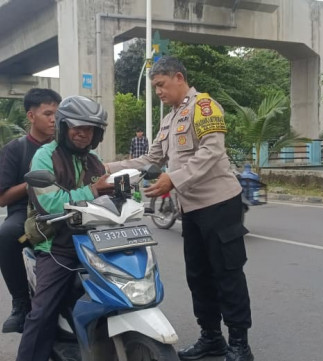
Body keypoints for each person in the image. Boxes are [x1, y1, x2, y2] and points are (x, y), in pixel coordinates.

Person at [105, 56, 254, 361]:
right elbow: (150, 159)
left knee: (227, 274)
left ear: (177, 77)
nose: (158, 91)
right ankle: (211, 337)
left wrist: (173, 178)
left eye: (160, 84)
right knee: (198, 276)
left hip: (220, 204)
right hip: (192, 209)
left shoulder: (204, 106)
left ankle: (239, 344)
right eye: (155, 87)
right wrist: (103, 167)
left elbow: (212, 151)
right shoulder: (170, 118)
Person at [16, 95, 114, 361]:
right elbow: (51, 203)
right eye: (77, 128)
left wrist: (129, 194)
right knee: (43, 311)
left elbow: (112, 195)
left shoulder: (93, 159)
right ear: (63, 127)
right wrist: (94, 190)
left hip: (97, 239)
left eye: (89, 129)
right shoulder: (44, 157)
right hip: (57, 243)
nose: (83, 134)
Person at [0, 88, 62, 333]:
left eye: (57, 113)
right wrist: (32, 182)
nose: (54, 119)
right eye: (48, 113)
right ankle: (21, 303)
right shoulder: (16, 149)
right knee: (7, 237)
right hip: (28, 212)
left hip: (63, 205)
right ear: (31, 116)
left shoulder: (65, 145)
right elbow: (2, 198)